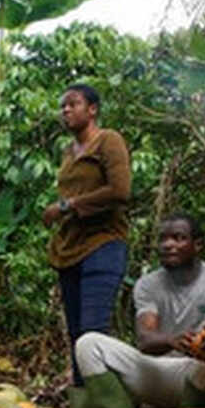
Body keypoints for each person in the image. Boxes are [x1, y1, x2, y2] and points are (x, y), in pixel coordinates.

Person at [71, 214, 205, 408]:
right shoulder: (148, 284)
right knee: (88, 344)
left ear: (198, 245)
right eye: (163, 239)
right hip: (158, 372)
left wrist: (204, 342)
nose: (168, 245)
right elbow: (145, 339)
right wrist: (173, 340)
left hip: (199, 374)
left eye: (178, 238)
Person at [42, 83, 132, 386]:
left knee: (93, 332)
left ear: (92, 109)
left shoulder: (108, 140)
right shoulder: (68, 151)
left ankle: (106, 404)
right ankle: (83, 402)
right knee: (76, 334)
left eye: (73, 104)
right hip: (71, 249)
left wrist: (66, 206)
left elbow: (120, 190)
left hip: (103, 243)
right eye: (63, 106)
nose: (66, 110)